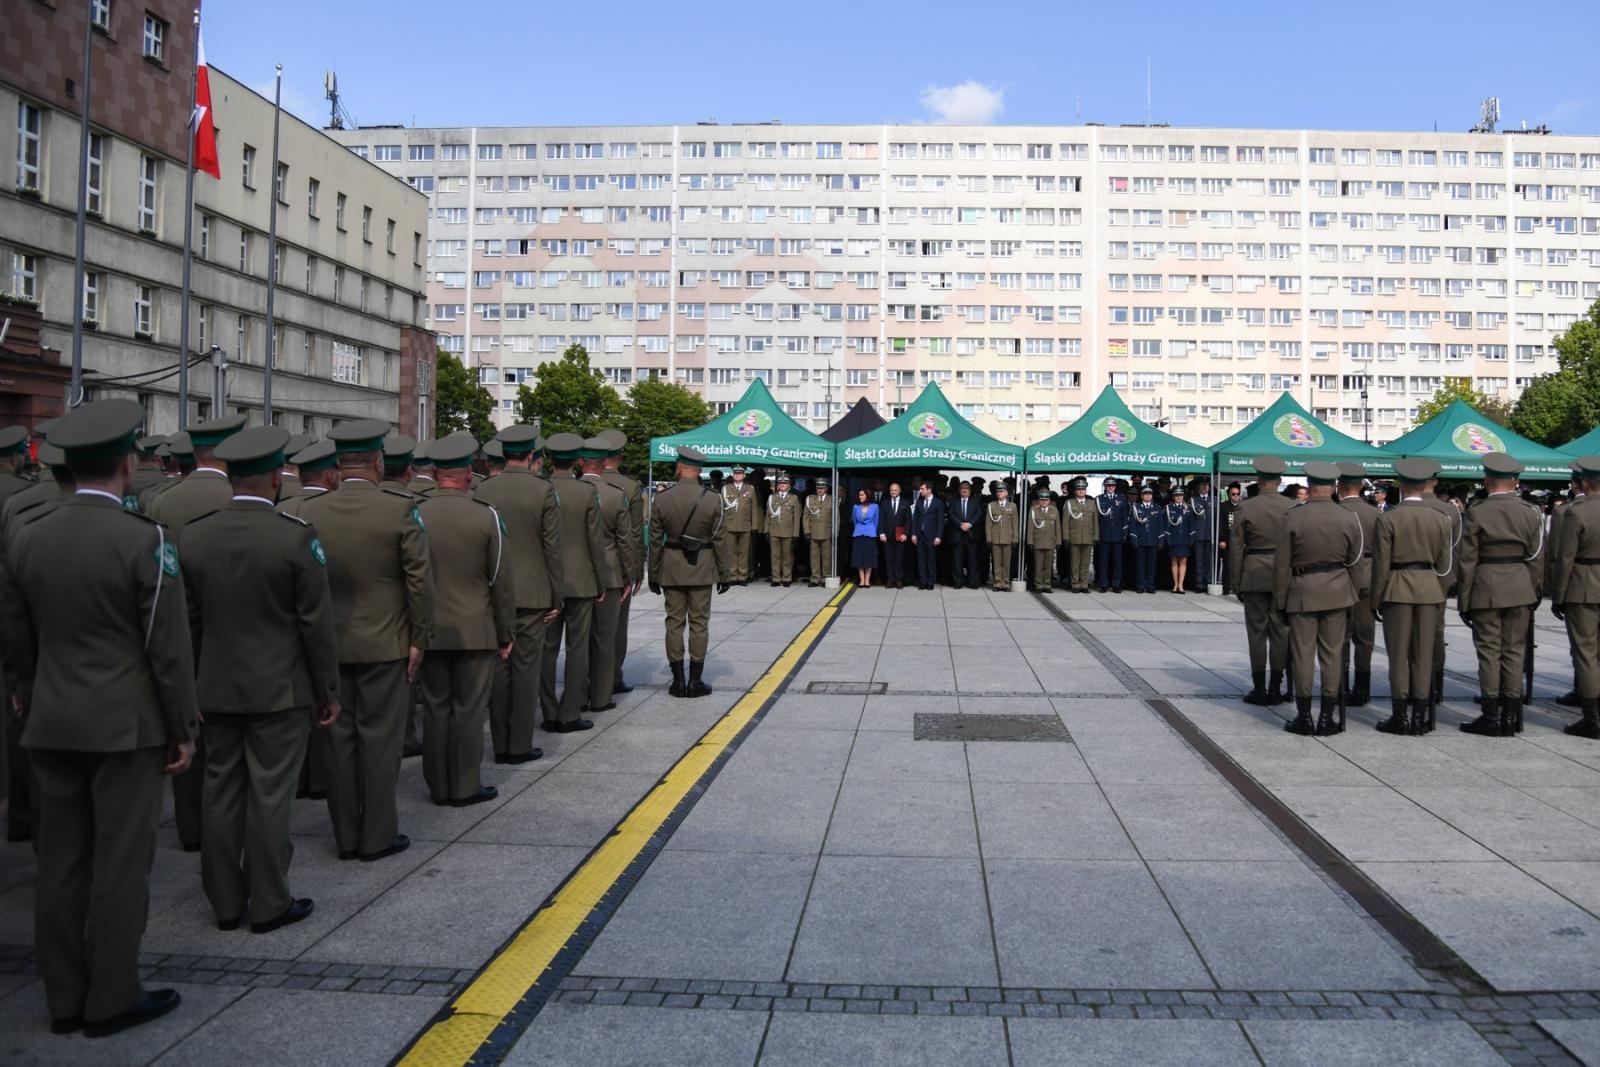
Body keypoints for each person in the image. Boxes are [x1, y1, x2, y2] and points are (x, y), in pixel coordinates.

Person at [0, 399, 197, 1037]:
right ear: (126, 461)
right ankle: (112, 995)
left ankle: (64, 997)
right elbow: (166, 649)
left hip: (51, 722)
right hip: (126, 727)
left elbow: (19, 637)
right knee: (118, 864)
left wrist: (30, 695)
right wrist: (182, 726)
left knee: (58, 864)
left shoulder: (27, 537)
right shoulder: (144, 540)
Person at [184, 426, 340, 934]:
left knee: (221, 790)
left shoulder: (195, 535)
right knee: (271, 794)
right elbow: (315, 625)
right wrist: (327, 690)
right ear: (276, 477)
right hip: (280, 689)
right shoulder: (294, 537)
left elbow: (187, 623)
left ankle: (226, 902)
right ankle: (270, 899)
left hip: (215, 686)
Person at [299, 419, 433, 862]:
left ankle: (344, 835)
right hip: (386, 644)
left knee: (337, 743)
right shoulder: (399, 509)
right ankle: (376, 835)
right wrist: (419, 637)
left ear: (337, 466)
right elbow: (419, 581)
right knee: (380, 742)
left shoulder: (307, 512)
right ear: (379, 461)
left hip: (328, 647)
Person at [146, 413, 246, 853]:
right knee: (233, 747)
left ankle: (191, 829)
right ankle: (228, 829)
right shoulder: (241, 496)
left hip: (176, 630)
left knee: (185, 725)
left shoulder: (163, 499)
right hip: (234, 633)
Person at [415, 432, 515, 805]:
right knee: (469, 711)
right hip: (475, 628)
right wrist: (506, 631)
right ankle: (464, 785)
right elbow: (500, 579)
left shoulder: (414, 512)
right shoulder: (485, 515)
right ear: (468, 474)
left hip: (429, 629)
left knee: (436, 709)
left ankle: (438, 785)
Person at [474, 426, 561, 763]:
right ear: (530, 456)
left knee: (499, 669)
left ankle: (498, 743)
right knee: (526, 671)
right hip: (532, 592)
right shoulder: (543, 491)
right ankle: (519, 745)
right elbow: (552, 548)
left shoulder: (483, 488)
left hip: (492, 590)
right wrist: (556, 596)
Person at [1456, 453, 1545, 737]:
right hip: (1519, 584)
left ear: (1487, 480)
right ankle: (1512, 715)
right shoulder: (1531, 512)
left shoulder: (1477, 511)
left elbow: (1468, 559)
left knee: (1489, 652)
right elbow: (1535, 557)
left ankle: (1491, 715)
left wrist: (1464, 598)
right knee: (1515, 651)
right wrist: (1533, 590)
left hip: (1486, 585)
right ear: (1515, 481)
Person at [1273, 461, 1363, 736]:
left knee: (1302, 654)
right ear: (1334, 486)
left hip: (1303, 591)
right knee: (1332, 655)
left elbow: (1282, 564)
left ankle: (1303, 716)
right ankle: (1326, 716)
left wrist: (1280, 601)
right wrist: (1353, 593)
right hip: (1337, 591)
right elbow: (1355, 560)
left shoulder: (1294, 516)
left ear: (1309, 486)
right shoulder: (1348, 517)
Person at [1371, 459, 1454, 736]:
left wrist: (1376, 599)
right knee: (1423, 655)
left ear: (1402, 486)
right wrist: (1438, 590)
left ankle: (1399, 715)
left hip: (1397, 587)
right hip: (1429, 586)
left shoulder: (1389, 518)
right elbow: (1445, 564)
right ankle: (1419, 715)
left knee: (1398, 656)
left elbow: (1381, 565)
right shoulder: (1441, 519)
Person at [540, 433, 610, 732]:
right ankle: (569, 711)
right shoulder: (585, 492)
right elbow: (595, 541)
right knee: (577, 648)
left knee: (547, 649)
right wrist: (601, 580)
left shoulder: (540, 488)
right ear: (576, 461)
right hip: (581, 580)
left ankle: (548, 710)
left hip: (545, 581)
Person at [648, 446, 730, 696]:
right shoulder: (712, 498)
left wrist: (653, 574)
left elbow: (654, 541)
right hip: (702, 567)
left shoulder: (661, 498)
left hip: (672, 567)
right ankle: (695, 681)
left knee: (674, 623)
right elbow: (719, 539)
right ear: (698, 470)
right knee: (699, 623)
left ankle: (677, 680)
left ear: (680, 468)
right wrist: (724, 573)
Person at [1230, 457, 1296, 705]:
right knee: (1281, 632)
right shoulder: (1292, 506)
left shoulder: (1247, 507)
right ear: (1279, 482)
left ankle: (1259, 688)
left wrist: (1236, 581)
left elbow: (1236, 548)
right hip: (1284, 573)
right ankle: (1276, 686)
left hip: (1255, 573)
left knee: (1256, 633)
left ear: (1259, 480)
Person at [582, 435, 637, 712]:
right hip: (612, 574)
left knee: (578, 640)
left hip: (576, 576)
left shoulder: (563, 491)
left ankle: (577, 694)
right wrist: (632, 574)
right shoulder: (620, 492)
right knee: (607, 638)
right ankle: (603, 692)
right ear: (606, 462)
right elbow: (629, 538)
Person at [1551, 456, 1600, 738]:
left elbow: (1565, 558)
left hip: (1583, 586)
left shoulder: (1576, 512)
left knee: (1585, 653)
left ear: (1584, 483)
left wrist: (1558, 595)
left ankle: (1591, 718)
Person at [596, 429, 643, 694]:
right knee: (615, 628)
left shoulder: (585, 482)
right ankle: (612, 677)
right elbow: (634, 534)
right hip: (616, 569)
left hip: (581, 570)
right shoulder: (630, 486)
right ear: (620, 457)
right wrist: (635, 571)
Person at [1336, 463, 1380, 706]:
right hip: (1369, 577)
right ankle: (1362, 689)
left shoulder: (1336, 511)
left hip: (1341, 578)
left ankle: (1340, 685)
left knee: (1339, 637)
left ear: (1339, 487)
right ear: (1362, 486)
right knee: (1365, 637)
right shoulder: (1375, 514)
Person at [1420, 461, 1464, 707]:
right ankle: (1436, 686)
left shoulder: (1398, 510)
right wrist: (1451, 580)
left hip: (1405, 580)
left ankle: (1413, 687)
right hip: (1438, 579)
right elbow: (1455, 549)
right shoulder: (1451, 511)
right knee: (1436, 634)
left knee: (1408, 636)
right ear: (1434, 481)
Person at [720, 465, 760, 585]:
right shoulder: (726, 488)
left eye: (740, 474)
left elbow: (754, 508)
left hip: (745, 524)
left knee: (744, 552)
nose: (737, 475)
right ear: (732, 475)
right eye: (735, 474)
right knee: (731, 552)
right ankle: (732, 576)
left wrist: (754, 526)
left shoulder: (750, 489)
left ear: (744, 475)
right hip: (729, 524)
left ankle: (742, 576)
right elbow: (721, 508)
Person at [1094, 476, 1128, 593]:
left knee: (1117, 562)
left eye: (1112, 486)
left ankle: (1116, 584)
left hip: (1117, 535)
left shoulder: (1121, 498)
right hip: (1104, 534)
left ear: (1115, 487)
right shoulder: (1099, 499)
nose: (1110, 488)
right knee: (1103, 562)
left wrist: (1124, 533)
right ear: (1105, 487)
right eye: (1108, 486)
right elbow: (1096, 519)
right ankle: (1103, 584)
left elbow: (1124, 517)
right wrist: (1096, 534)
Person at [766, 473, 800, 587]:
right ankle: (776, 578)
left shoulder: (793, 498)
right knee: (775, 556)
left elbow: (796, 517)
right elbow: (767, 516)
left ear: (789, 485)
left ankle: (787, 578)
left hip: (788, 531)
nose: (783, 485)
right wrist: (766, 530)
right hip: (774, 530)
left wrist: (795, 534)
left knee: (787, 557)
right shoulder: (772, 497)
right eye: (781, 483)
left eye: (785, 483)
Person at [947, 480, 981, 589]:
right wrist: (960, 524)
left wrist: (969, 524)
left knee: (972, 560)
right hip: (958, 535)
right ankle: (958, 581)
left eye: (966, 488)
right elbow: (950, 514)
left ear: (970, 490)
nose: (964, 490)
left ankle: (972, 581)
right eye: (962, 488)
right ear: (959, 490)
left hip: (971, 535)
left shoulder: (975, 501)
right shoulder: (954, 501)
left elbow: (979, 514)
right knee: (957, 561)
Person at [1128, 485, 1162, 594]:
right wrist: (1133, 538)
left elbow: (1160, 525)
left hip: (1152, 540)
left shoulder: (1157, 508)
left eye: (1150, 494)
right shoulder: (1136, 508)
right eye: (1146, 494)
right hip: (1141, 540)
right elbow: (1132, 524)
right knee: (1140, 565)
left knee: (1151, 565)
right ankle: (1141, 585)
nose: (1148, 496)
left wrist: (1161, 539)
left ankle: (1150, 585)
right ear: (1142, 496)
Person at [1027, 488, 1061, 594]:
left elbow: (1057, 527)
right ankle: (1038, 584)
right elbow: (1030, 527)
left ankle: (1047, 584)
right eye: (1041, 500)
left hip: (1050, 542)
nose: (1043, 502)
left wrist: (1058, 541)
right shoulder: (1034, 510)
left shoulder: (1054, 511)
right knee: (1038, 565)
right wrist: (1030, 541)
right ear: (1039, 500)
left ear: (1049, 501)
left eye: (1046, 500)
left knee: (1048, 565)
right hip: (1038, 541)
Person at [911, 481, 944, 590]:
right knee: (921, 560)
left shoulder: (938, 502)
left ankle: (931, 582)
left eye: (922, 489)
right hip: (920, 536)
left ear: (929, 490)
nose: (920, 491)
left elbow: (940, 521)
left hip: (932, 536)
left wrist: (939, 536)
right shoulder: (919, 502)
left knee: (931, 560)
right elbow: (915, 519)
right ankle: (923, 581)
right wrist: (913, 534)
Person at [985, 484, 1018, 591]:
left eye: (1002, 491)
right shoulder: (992, 505)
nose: (999, 493)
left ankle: (1006, 583)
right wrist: (989, 538)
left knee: (1007, 562)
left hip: (1008, 538)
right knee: (996, 562)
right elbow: (988, 524)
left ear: (1007, 493)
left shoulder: (1012, 506)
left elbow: (1015, 524)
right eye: (998, 491)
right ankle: (998, 583)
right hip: (996, 538)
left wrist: (1015, 538)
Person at [877, 482, 909, 589]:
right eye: (891, 490)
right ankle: (890, 579)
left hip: (900, 536)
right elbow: (881, 519)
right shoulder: (884, 503)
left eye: (895, 490)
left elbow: (909, 521)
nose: (893, 492)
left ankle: (899, 580)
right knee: (888, 558)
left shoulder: (905, 503)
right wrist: (881, 533)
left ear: (899, 491)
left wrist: (906, 534)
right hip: (887, 535)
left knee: (899, 558)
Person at [803, 478, 834, 587]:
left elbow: (836, 517)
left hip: (827, 532)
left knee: (826, 557)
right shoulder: (810, 499)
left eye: (822, 488)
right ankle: (815, 578)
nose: (820, 490)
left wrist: (835, 532)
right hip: (814, 532)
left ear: (826, 489)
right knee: (814, 557)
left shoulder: (831, 499)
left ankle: (825, 577)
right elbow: (805, 516)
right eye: (818, 488)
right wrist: (806, 531)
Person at [1218, 482, 1242, 594]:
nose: (1235, 496)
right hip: (1227, 539)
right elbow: (1221, 524)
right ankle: (1226, 587)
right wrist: (1221, 539)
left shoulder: (1243, 507)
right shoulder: (1223, 506)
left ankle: (1236, 587)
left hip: (1240, 540)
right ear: (1228, 495)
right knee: (1227, 565)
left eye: (1237, 494)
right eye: (1233, 494)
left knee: (1238, 565)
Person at [851, 489, 879, 588]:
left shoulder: (875, 507)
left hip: (870, 534)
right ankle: (861, 580)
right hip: (858, 534)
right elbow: (854, 521)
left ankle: (867, 580)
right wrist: (859, 529)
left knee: (869, 558)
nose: (860, 497)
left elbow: (876, 522)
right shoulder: (856, 507)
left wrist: (871, 530)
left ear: (867, 495)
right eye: (859, 495)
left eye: (862, 495)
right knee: (859, 557)